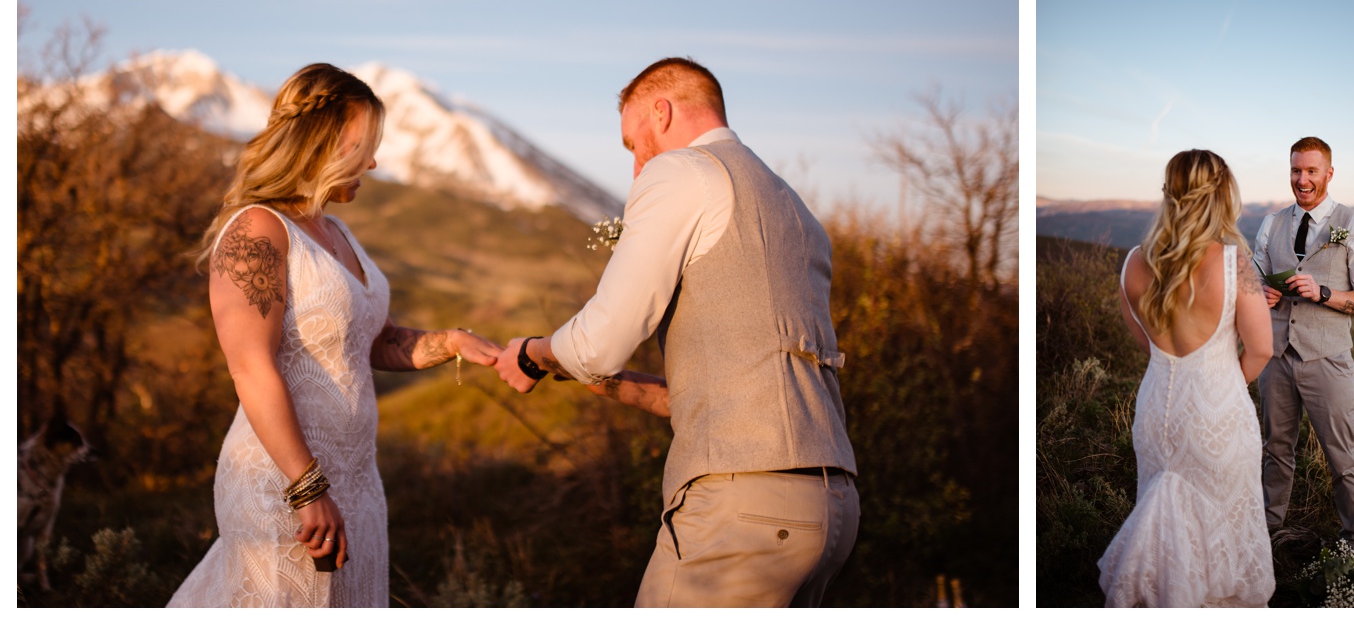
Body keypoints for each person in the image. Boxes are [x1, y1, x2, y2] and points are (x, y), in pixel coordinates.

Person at [490, 57, 859, 607]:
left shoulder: (683, 170)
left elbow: (601, 340)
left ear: (661, 113)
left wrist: (534, 355)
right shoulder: (795, 211)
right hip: (830, 508)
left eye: (632, 144)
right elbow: (740, 380)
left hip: (743, 505)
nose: (637, 167)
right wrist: (608, 383)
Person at [168, 63, 502, 607]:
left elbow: (371, 342)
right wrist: (307, 487)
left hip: (358, 482)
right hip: (284, 482)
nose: (373, 161)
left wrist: (453, 342)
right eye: (363, 145)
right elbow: (251, 366)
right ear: (320, 142)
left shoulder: (336, 230)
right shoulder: (257, 229)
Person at [1098, 149, 1275, 607]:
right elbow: (1261, 349)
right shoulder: (1236, 265)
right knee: (1226, 534)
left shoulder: (1134, 262)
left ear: (1169, 193)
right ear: (1221, 196)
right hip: (1217, 418)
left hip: (1157, 412)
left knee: (1166, 533)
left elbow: (1147, 343)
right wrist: (1224, 384)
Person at [1255, 137, 1354, 554]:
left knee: (1342, 458)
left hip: (1327, 358)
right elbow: (1253, 280)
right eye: (1296, 170)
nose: (1302, 180)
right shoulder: (1271, 223)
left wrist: (1324, 293)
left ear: (1329, 172)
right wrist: (1261, 294)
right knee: (1275, 450)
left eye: (1311, 171)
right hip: (1274, 356)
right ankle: (1267, 531)